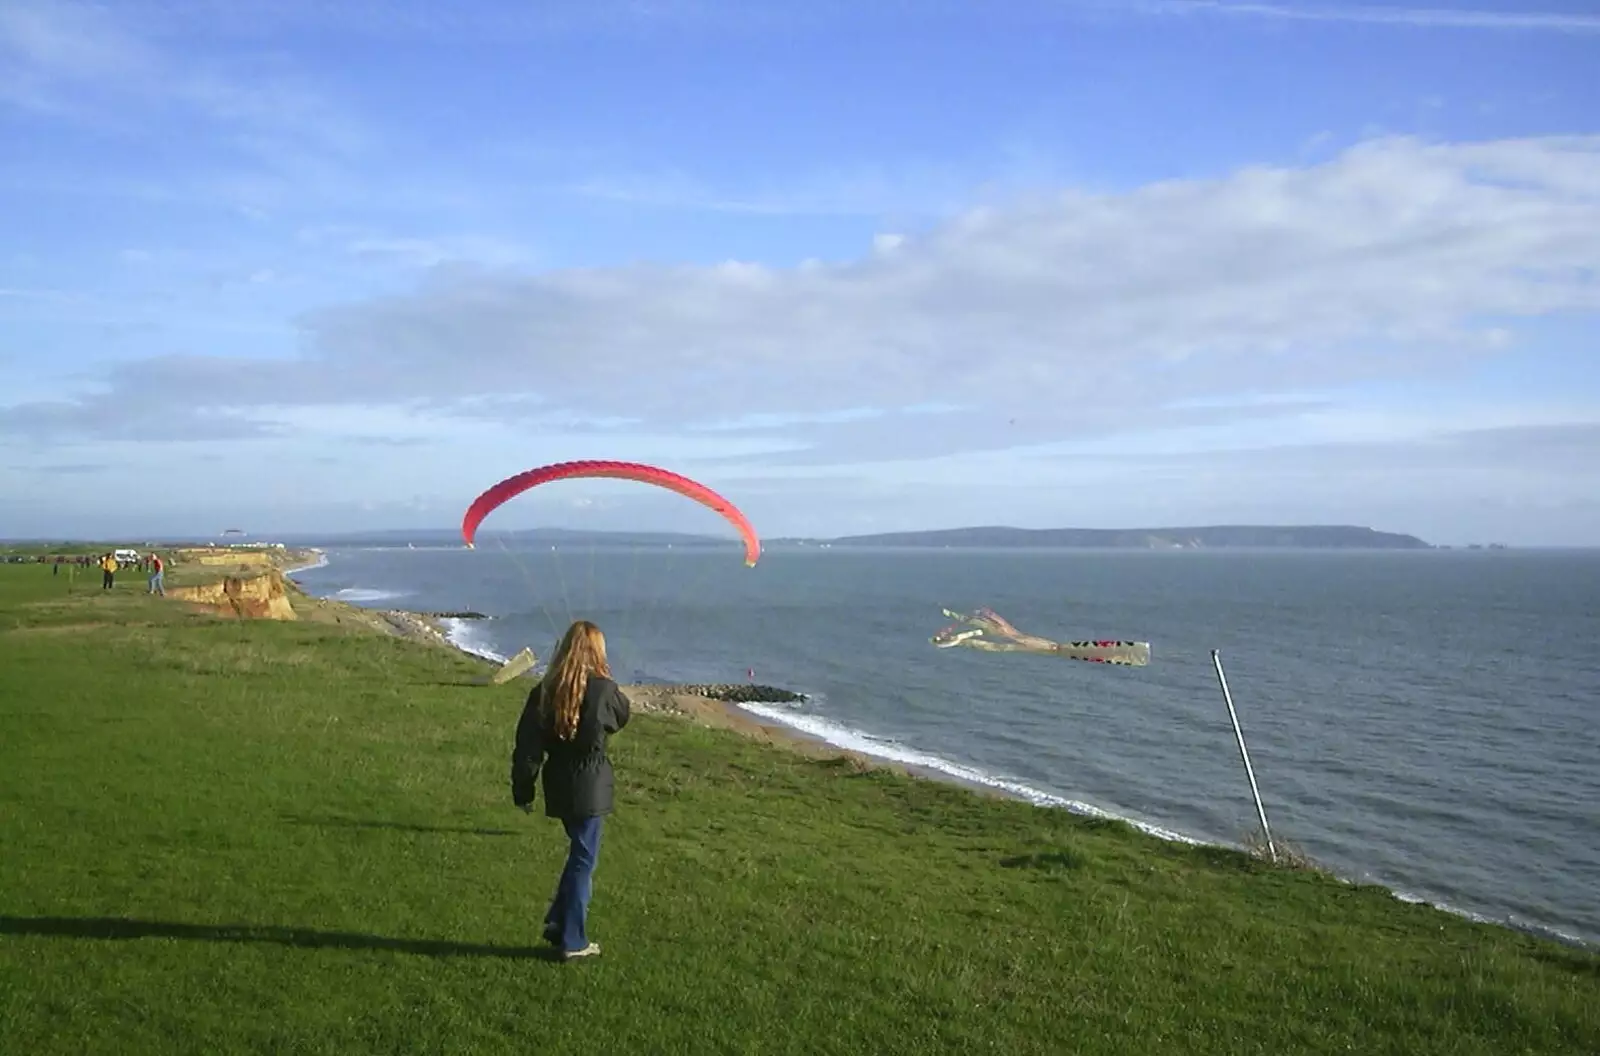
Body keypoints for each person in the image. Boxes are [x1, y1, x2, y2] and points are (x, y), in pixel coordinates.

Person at [510, 619, 631, 961]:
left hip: (559, 784)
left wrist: (523, 790)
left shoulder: (546, 690)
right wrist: (606, 683)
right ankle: (573, 940)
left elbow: (527, 748)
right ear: (596, 652)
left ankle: (557, 923)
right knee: (583, 859)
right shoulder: (604, 690)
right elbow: (622, 716)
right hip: (590, 787)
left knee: (579, 852)